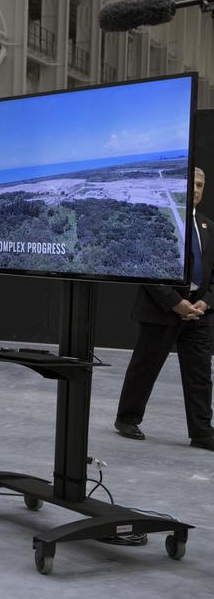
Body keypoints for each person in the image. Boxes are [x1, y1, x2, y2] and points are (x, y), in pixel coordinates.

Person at [115, 166, 214, 450]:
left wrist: (204, 302)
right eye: (191, 184)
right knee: (145, 367)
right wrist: (176, 303)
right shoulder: (157, 222)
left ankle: (202, 432)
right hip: (162, 309)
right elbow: (148, 269)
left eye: (199, 185)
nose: (195, 190)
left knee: (200, 375)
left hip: (199, 312)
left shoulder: (207, 226)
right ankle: (127, 418)